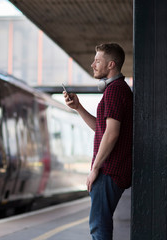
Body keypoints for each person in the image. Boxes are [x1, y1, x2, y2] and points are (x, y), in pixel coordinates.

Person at [63, 43, 133, 240]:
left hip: (109, 170)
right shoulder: (117, 90)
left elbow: (111, 134)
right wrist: (78, 107)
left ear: (111, 65)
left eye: (97, 61)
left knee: (99, 227)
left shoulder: (114, 91)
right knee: (99, 225)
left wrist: (95, 168)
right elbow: (102, 129)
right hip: (112, 170)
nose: (92, 64)